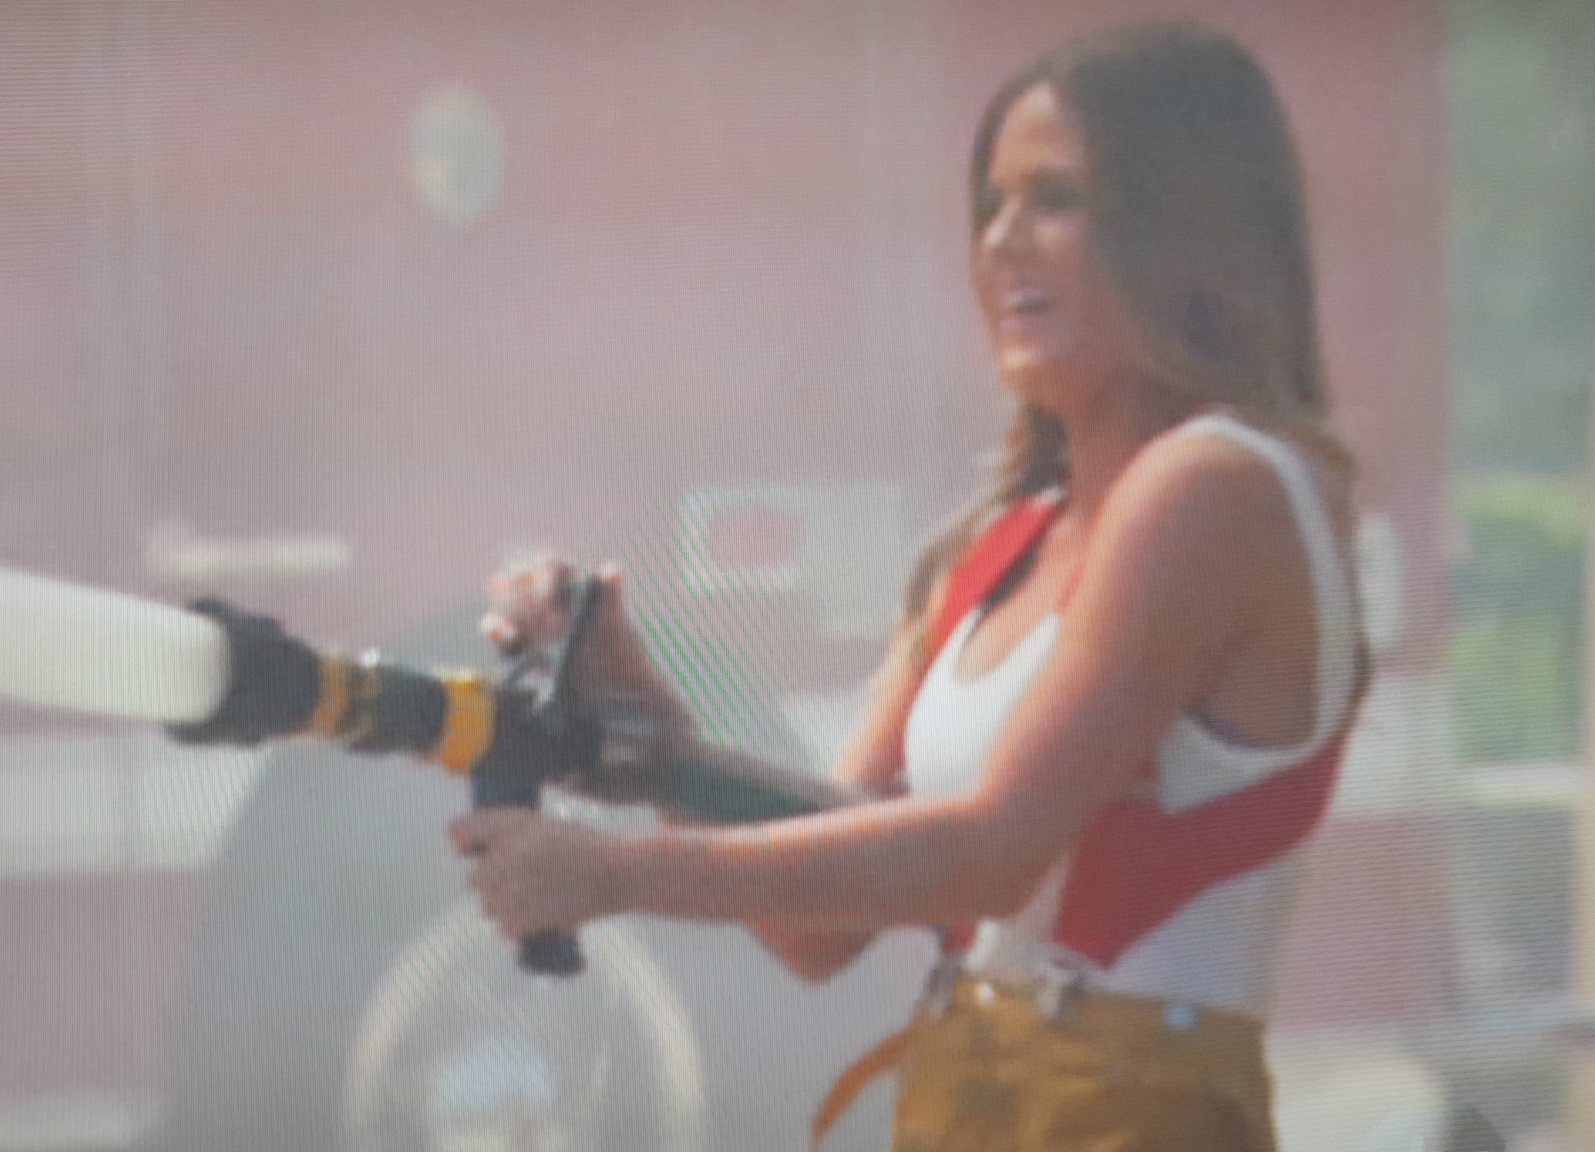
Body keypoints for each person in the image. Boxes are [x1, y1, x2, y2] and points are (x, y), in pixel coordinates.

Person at [450, 19, 1368, 1152]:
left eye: (1056, 199)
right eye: (990, 204)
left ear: (1185, 227)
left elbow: (991, 853)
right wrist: (646, 728)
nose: (1001, 242)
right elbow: (819, 931)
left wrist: (611, 874)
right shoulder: (995, 546)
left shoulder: (1216, 485)